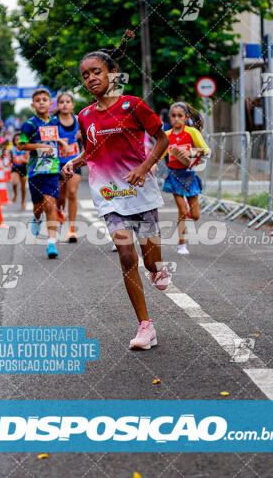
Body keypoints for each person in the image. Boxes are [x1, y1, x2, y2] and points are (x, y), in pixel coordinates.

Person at [61, 30, 170, 351]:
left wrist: (145, 166)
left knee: (152, 263)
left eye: (97, 71)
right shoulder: (85, 116)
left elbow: (162, 140)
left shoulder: (133, 105)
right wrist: (74, 161)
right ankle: (145, 326)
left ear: (112, 74)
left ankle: (157, 269)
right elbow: (93, 150)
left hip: (143, 192)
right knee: (126, 256)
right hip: (108, 195)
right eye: (85, 75)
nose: (91, 78)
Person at [18, 88, 70, 259]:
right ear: (33, 105)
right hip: (34, 171)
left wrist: (61, 142)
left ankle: (51, 243)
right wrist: (41, 147)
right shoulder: (30, 125)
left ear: (50, 104)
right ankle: (36, 218)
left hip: (52, 170)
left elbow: (55, 137)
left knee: (49, 204)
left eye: (44, 99)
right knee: (38, 207)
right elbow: (22, 145)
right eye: (38, 100)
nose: (41, 102)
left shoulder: (55, 121)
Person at [162, 102, 210, 256]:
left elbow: (206, 150)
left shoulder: (191, 132)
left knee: (195, 216)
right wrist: (151, 164)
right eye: (173, 116)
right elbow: (158, 154)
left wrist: (190, 152)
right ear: (169, 118)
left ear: (186, 117)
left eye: (179, 116)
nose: (176, 119)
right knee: (182, 211)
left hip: (190, 175)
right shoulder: (167, 135)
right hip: (174, 175)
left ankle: (191, 213)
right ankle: (181, 245)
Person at [56, 92, 82, 242]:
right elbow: (47, 136)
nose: (65, 104)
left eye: (68, 101)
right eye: (61, 102)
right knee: (61, 196)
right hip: (57, 163)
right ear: (58, 105)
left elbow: (89, 137)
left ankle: (71, 229)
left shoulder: (79, 120)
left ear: (72, 104)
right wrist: (61, 141)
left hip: (74, 162)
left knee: (72, 192)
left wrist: (82, 137)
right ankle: (59, 209)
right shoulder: (53, 121)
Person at [10, 133, 29, 210]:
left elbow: (28, 160)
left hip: (23, 169)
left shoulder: (26, 149)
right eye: (16, 139)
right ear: (14, 141)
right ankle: (15, 194)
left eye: (19, 139)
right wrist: (7, 163)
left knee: (23, 188)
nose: (17, 141)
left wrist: (23, 159)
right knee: (14, 183)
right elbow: (10, 160)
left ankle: (22, 202)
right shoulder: (12, 149)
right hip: (15, 168)